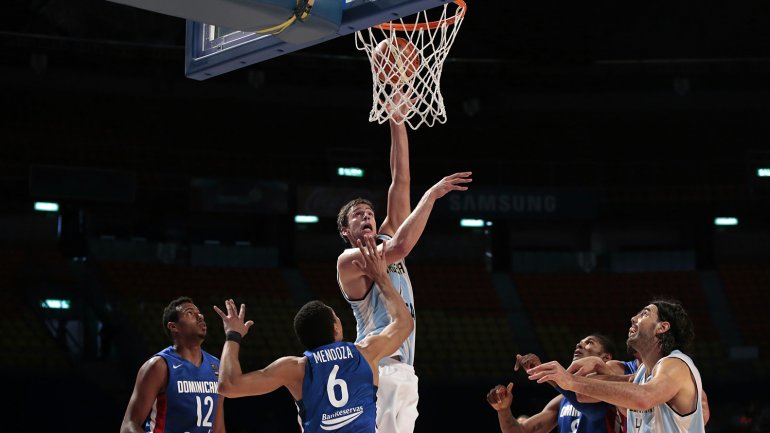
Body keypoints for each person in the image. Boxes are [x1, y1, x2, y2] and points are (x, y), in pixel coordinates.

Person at [335, 99, 472, 433]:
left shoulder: (383, 239)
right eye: (358, 215)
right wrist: (432, 196)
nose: (367, 216)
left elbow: (400, 179)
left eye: (369, 212)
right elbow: (401, 246)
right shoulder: (349, 261)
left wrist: (397, 118)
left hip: (404, 369)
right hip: (375, 365)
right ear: (346, 232)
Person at [215, 236, 414, 433]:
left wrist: (233, 335)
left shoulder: (296, 368)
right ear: (336, 328)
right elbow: (404, 324)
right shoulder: (365, 352)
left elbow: (228, 386)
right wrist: (380, 277)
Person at [527, 299, 706, 433]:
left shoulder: (676, 364)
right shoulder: (642, 374)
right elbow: (583, 395)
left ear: (662, 327)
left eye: (644, 314)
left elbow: (644, 397)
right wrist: (597, 367)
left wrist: (570, 381)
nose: (633, 318)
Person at [120, 296, 225, 433]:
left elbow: (218, 428)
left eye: (199, 312)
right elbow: (129, 425)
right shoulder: (159, 366)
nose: (200, 316)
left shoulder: (216, 366)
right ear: (173, 326)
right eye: (190, 313)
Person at [487, 334, 618, 433]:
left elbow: (593, 411)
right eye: (579, 343)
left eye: (589, 342)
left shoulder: (613, 392)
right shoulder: (563, 400)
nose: (579, 345)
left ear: (605, 358)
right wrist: (503, 410)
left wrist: (551, 376)